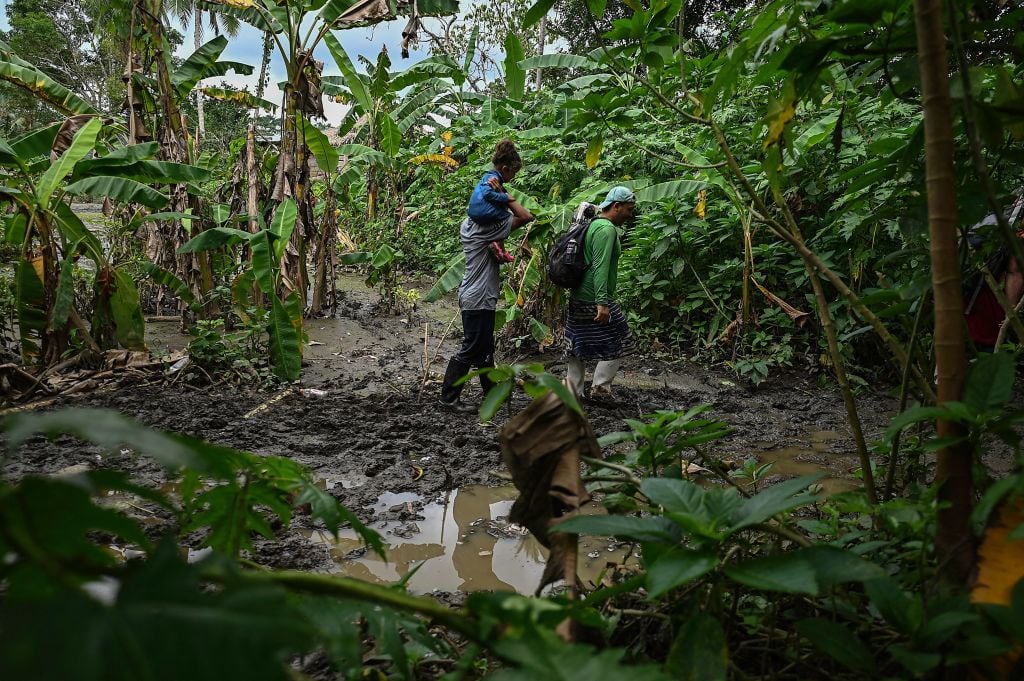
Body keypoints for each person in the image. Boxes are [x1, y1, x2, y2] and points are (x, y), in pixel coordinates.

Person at [440, 141, 535, 412]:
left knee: (485, 351)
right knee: (472, 349)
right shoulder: (486, 230)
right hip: (477, 297)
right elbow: (526, 216)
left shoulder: (472, 224)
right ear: (504, 169)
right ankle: (448, 398)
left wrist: (499, 191)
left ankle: (490, 396)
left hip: (478, 296)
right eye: (511, 174)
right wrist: (508, 197)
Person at [565, 186, 637, 397]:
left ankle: (573, 391)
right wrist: (602, 303)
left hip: (579, 294)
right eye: (629, 209)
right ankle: (601, 388)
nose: (630, 214)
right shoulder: (606, 230)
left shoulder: (593, 224)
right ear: (616, 206)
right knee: (622, 338)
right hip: (593, 297)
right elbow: (600, 267)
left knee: (577, 343)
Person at [466, 140, 521, 264]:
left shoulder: (489, 176)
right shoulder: (493, 178)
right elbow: (487, 193)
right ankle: (497, 244)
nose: (514, 177)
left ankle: (499, 246)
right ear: (505, 169)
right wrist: (506, 198)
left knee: (502, 208)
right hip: (480, 212)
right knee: (510, 217)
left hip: (475, 212)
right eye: (514, 173)